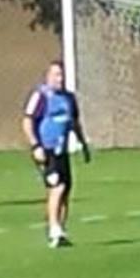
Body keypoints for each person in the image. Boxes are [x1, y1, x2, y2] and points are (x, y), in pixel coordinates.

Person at [23, 61, 92, 248]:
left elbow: (74, 123)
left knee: (66, 190)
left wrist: (83, 143)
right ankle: (53, 228)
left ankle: (59, 231)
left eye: (61, 75)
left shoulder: (69, 98)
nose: (59, 79)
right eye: (55, 75)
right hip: (46, 150)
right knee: (57, 187)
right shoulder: (40, 96)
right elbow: (28, 121)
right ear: (48, 76)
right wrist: (35, 145)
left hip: (62, 151)